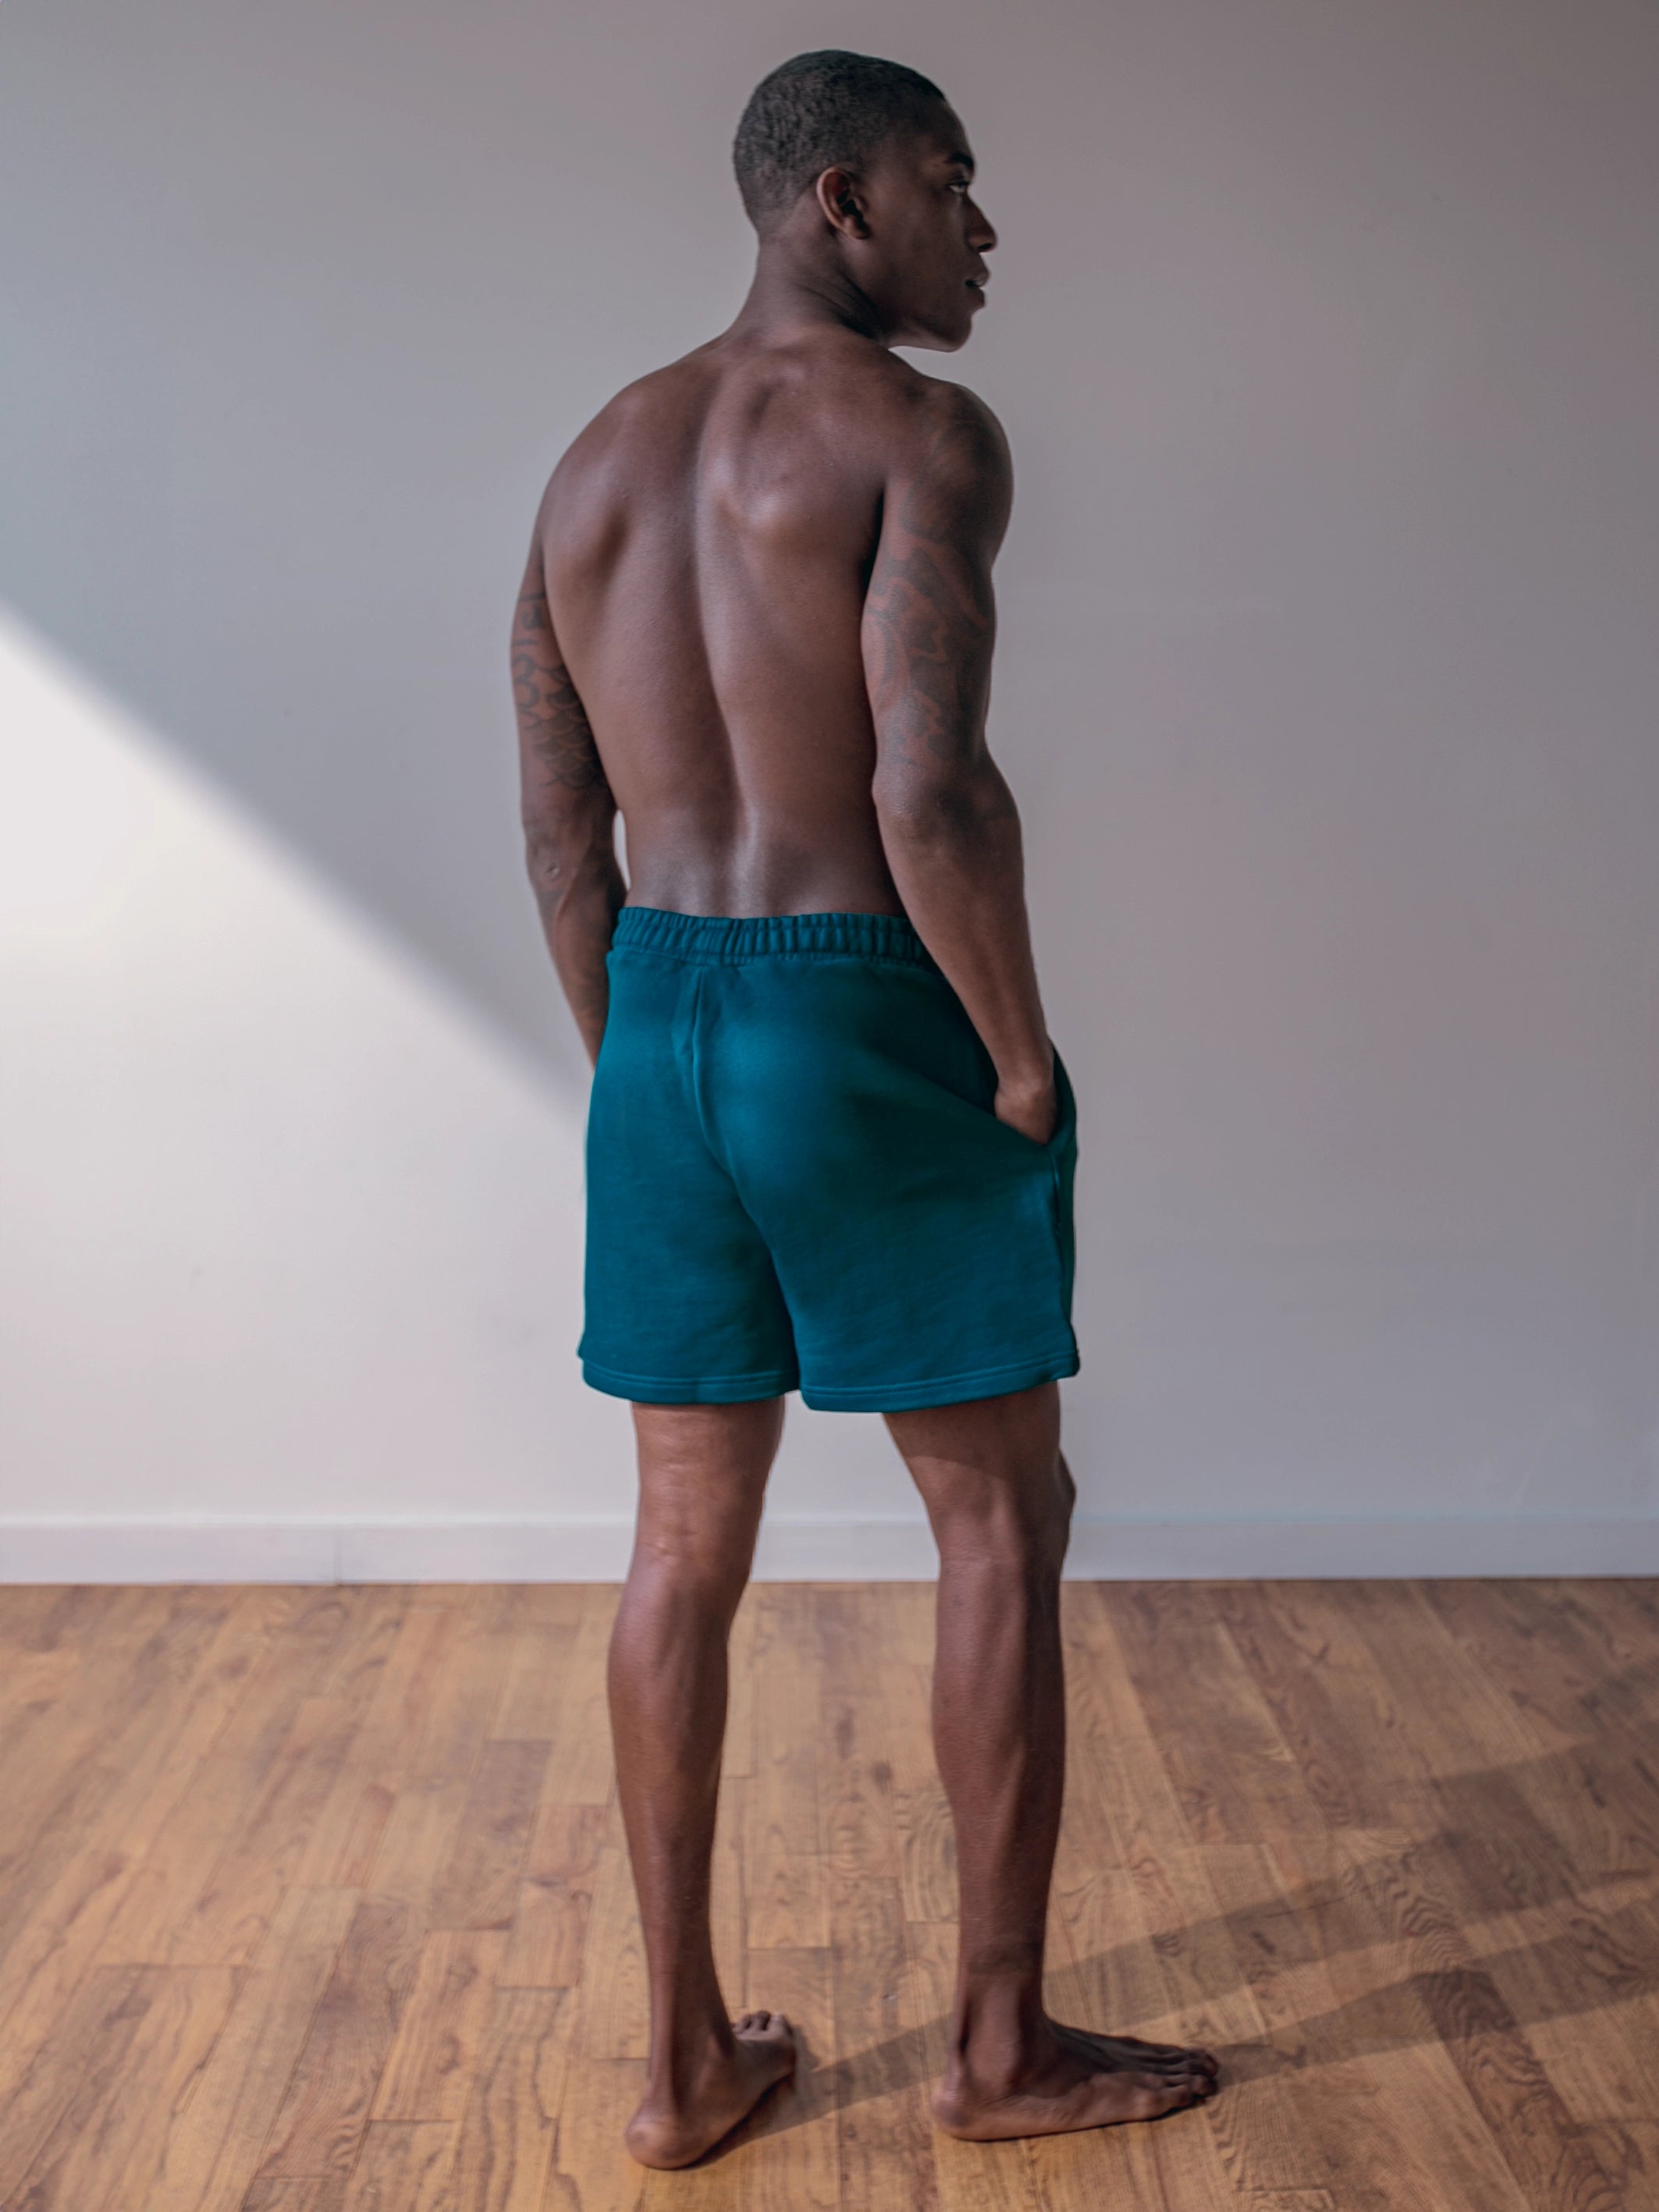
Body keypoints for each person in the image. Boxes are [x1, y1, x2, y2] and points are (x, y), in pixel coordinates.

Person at [513, 48, 1220, 2169]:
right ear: (837, 200)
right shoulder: (917, 431)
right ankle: (999, 2054)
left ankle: (683, 2069)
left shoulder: (590, 465)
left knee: (674, 1548)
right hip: (859, 1002)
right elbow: (928, 784)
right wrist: (1009, 1046)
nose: (979, 228)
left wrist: (637, 1055)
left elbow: (562, 830)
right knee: (999, 1512)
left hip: (662, 1022)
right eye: (946, 183)